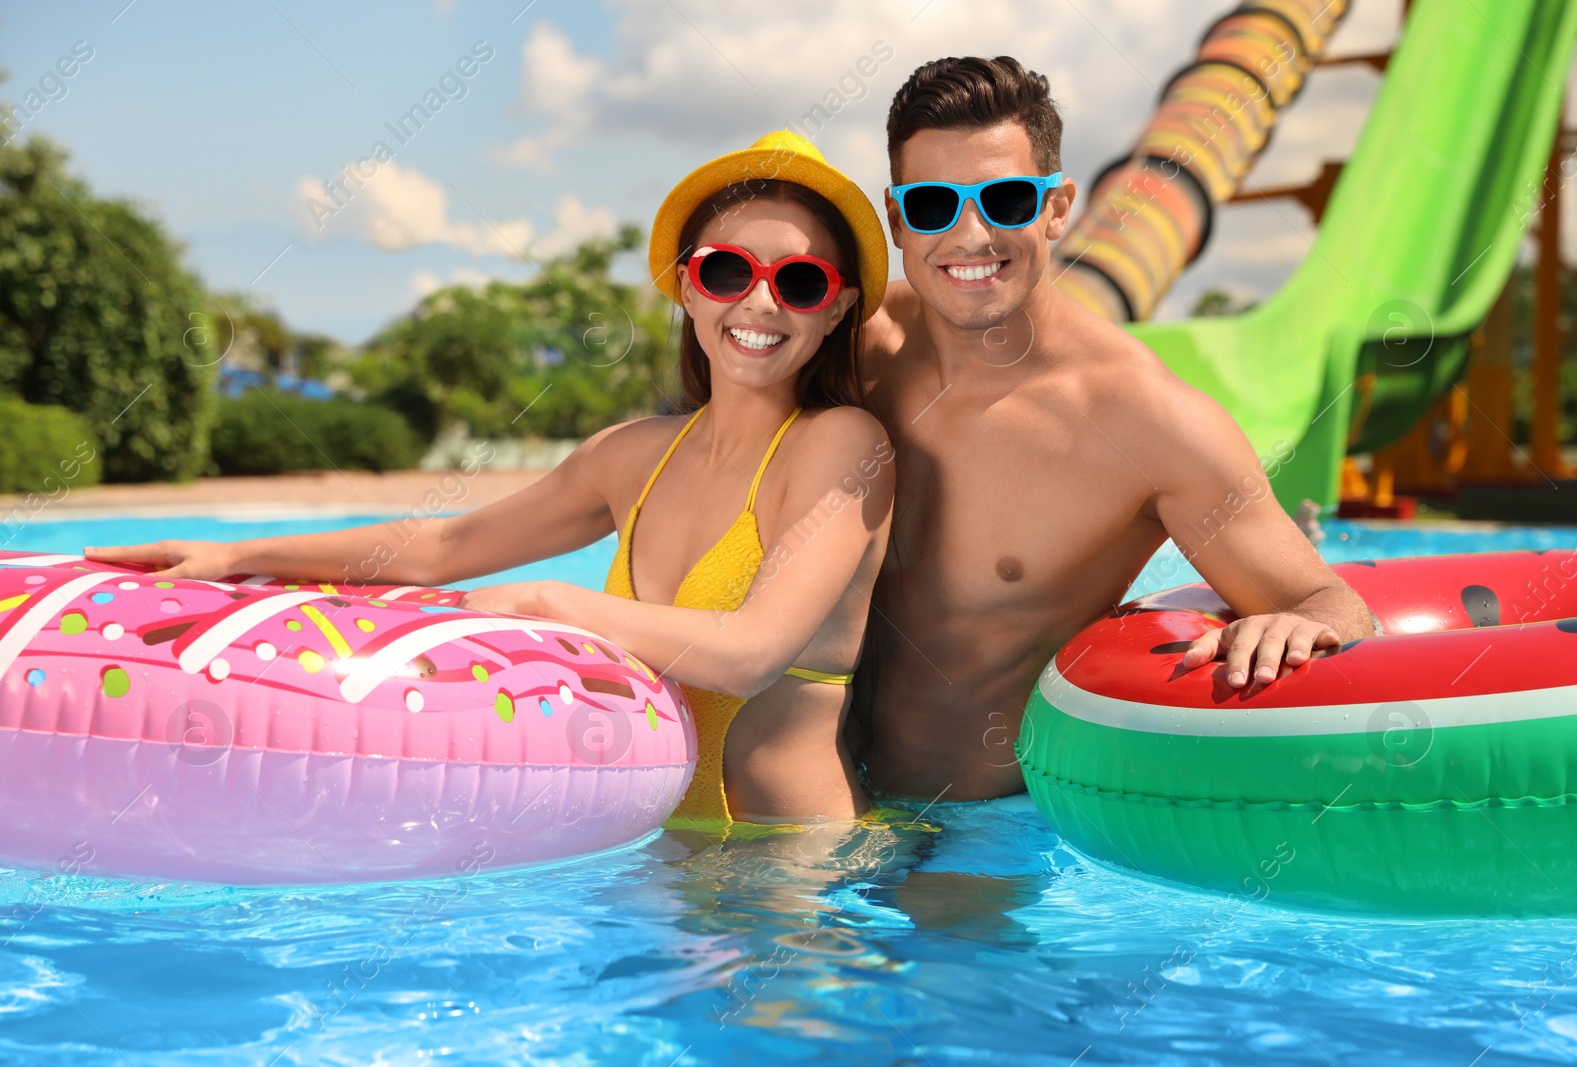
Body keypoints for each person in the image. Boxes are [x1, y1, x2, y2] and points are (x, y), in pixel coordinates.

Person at [83, 131, 895, 830]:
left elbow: (751, 655)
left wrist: (549, 602)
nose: (759, 302)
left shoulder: (842, 446)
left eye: (799, 282)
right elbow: (446, 544)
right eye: (727, 271)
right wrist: (235, 557)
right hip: (663, 857)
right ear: (687, 284)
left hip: (797, 876)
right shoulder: (632, 456)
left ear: (835, 308)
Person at [851, 56, 1375, 802]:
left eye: (1003, 199)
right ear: (898, 218)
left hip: (977, 845)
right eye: (934, 205)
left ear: (1058, 206)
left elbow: (1332, 602)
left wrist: (1293, 627)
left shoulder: (1148, 423)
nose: (970, 234)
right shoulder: (860, 345)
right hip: (811, 808)